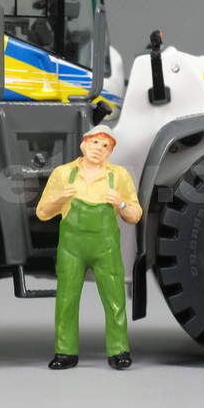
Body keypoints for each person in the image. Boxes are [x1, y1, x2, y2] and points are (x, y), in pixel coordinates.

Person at [35, 124, 142, 370]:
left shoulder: (119, 176)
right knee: (66, 300)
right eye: (95, 142)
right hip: (71, 249)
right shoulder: (63, 174)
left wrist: (121, 204)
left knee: (115, 299)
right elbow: (42, 212)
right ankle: (65, 352)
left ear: (110, 151)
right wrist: (60, 198)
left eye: (106, 145)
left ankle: (119, 350)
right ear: (84, 144)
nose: (99, 149)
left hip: (106, 250)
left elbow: (135, 215)